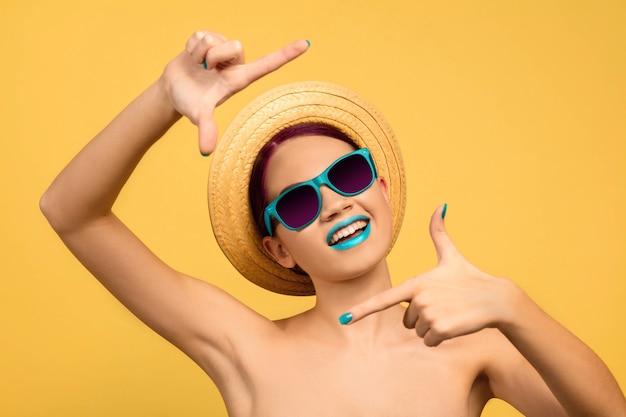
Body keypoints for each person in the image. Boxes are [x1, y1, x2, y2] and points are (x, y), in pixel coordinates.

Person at [40, 30, 626, 417]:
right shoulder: (245, 346)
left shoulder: (474, 348)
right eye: (298, 202)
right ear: (280, 249)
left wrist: (514, 306)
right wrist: (164, 97)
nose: (334, 203)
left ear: (383, 190)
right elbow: (71, 213)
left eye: (347, 175)